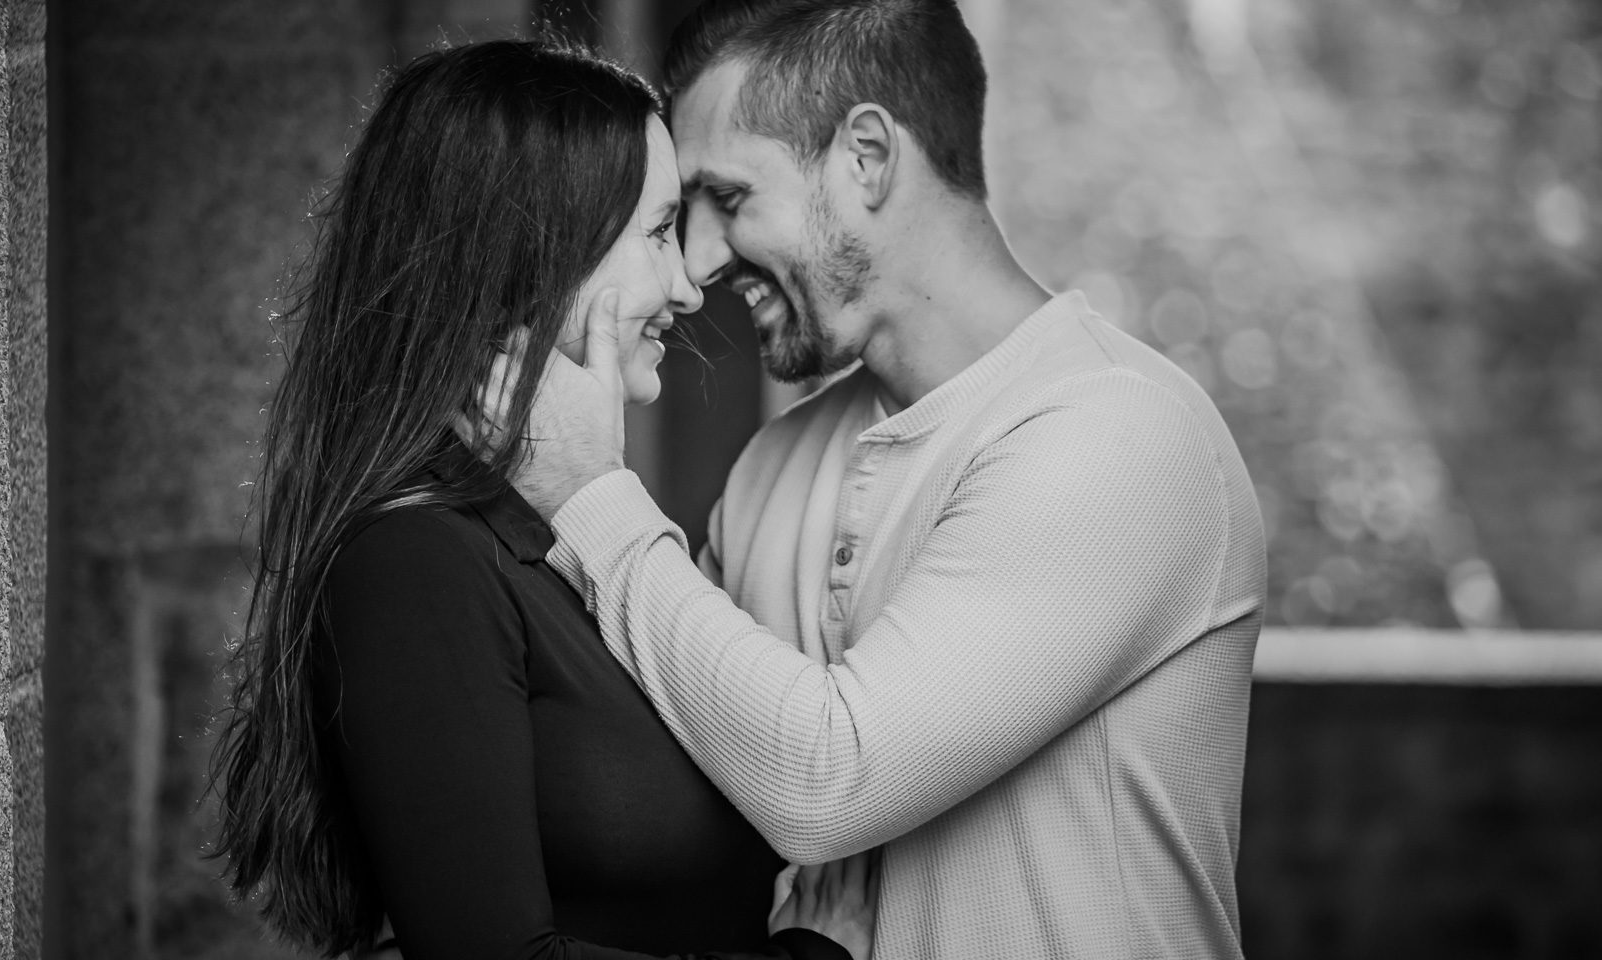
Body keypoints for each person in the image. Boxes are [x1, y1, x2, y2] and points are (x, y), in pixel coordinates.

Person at [487, 2, 1270, 958]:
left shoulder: (1121, 434)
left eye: (728, 199)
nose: (696, 262)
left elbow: (827, 783)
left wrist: (585, 490)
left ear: (865, 156)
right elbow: (662, 789)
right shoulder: (775, 462)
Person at [207, 39, 875, 960]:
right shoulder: (416, 564)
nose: (687, 286)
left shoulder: (574, 532)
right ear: (535, 254)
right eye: (657, 231)